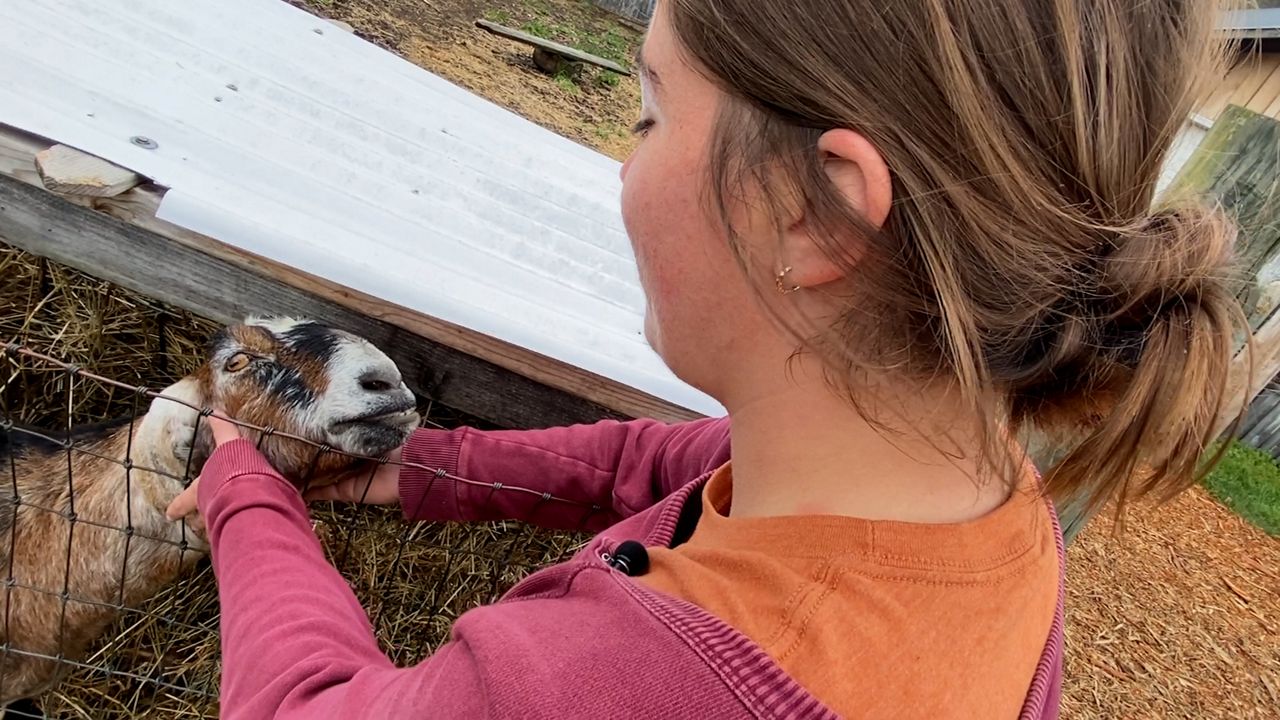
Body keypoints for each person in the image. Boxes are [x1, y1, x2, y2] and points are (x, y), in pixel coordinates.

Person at [166, 0, 1246, 717]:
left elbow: (297, 705)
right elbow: (661, 467)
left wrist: (248, 498)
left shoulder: (626, 681)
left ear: (813, 212)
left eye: (645, 114)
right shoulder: (991, 520)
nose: (619, 164)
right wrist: (423, 471)